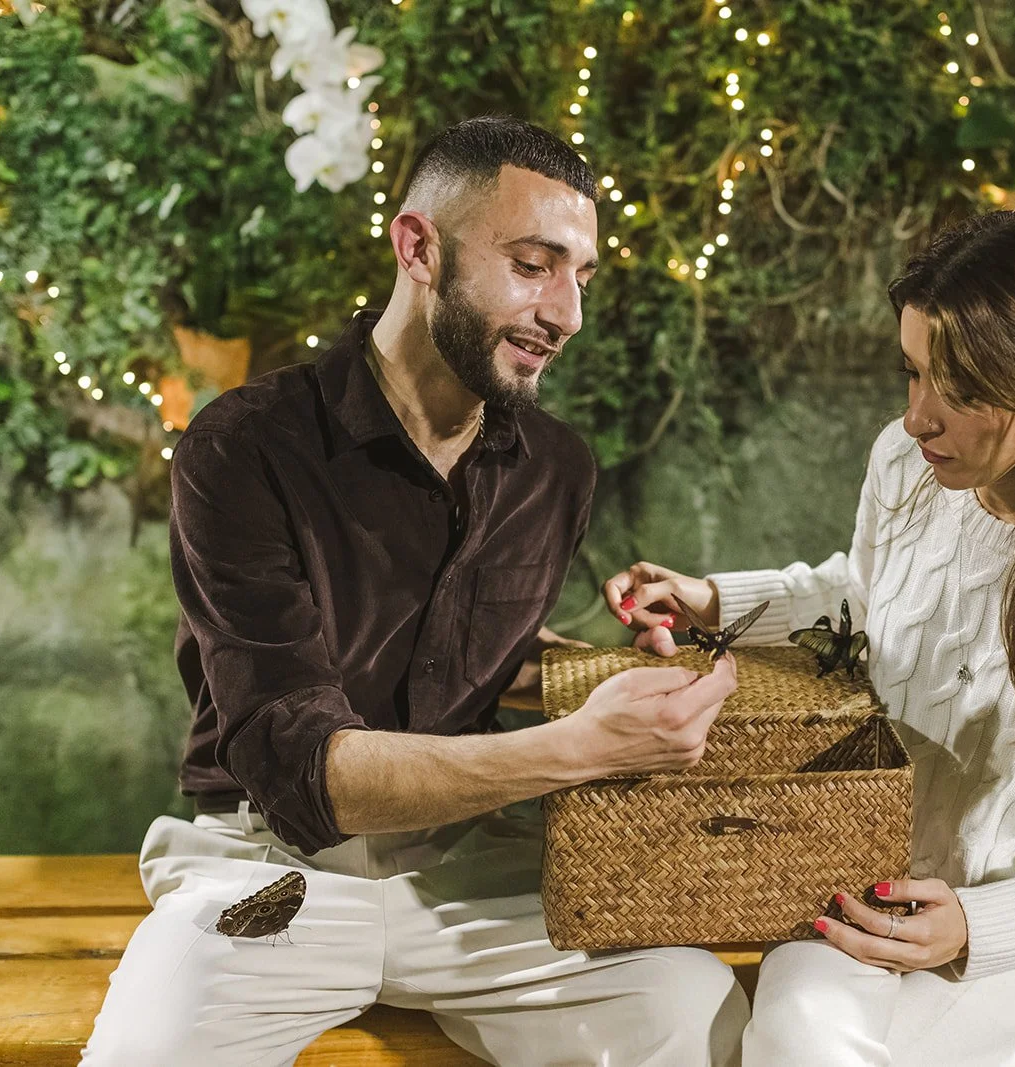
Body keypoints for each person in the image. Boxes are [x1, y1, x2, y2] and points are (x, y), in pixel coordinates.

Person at [82, 116, 749, 1066]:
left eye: (581, 277)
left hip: (467, 875)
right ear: (418, 247)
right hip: (274, 867)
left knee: (695, 1008)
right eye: (533, 265)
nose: (567, 314)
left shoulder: (555, 467)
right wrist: (577, 746)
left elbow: (456, 656)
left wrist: (596, 676)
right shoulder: (243, 446)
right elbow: (300, 767)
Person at [604, 209, 1015, 1067]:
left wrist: (978, 922)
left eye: (961, 389)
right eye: (913, 374)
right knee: (789, 1033)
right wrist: (715, 602)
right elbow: (868, 602)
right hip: (871, 885)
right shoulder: (903, 464)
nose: (919, 417)